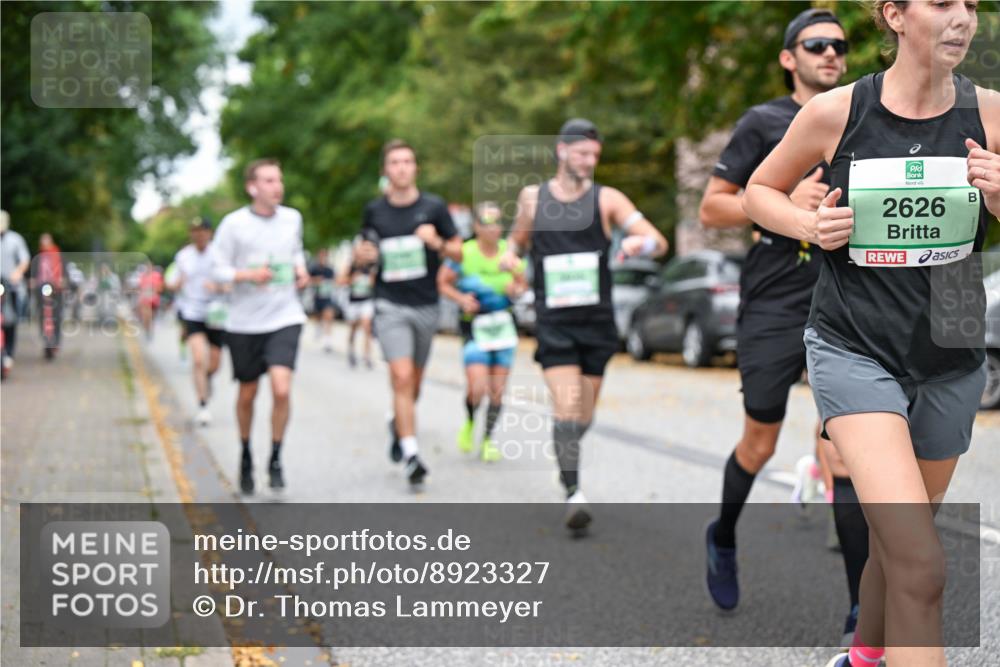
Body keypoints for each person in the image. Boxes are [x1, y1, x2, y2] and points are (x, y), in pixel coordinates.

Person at [742, 2, 997, 665]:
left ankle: (861, 657)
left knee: (901, 543)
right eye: (942, 3)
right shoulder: (837, 112)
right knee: (922, 562)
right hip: (855, 344)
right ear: (894, 15)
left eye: (971, 4)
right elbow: (758, 190)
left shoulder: (992, 114)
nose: (962, 19)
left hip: (952, 342)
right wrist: (808, 225)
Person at [698, 8, 869, 643]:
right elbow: (712, 207)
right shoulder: (764, 123)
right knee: (760, 442)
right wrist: (777, 204)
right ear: (788, 58)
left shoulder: (862, 119)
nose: (830, 54)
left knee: (845, 451)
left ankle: (861, 616)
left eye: (839, 45)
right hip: (774, 299)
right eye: (816, 44)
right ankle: (722, 536)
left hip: (846, 297)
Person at [500, 119, 667, 531]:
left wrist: (639, 242)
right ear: (561, 151)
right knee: (567, 405)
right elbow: (517, 241)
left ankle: (565, 455)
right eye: (582, 153)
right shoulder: (533, 198)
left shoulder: (607, 199)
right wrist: (511, 259)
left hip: (596, 324)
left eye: (595, 155)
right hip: (554, 322)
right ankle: (574, 492)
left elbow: (658, 241)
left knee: (582, 416)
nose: (589, 161)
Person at [355, 139, 463, 485]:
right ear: (385, 170)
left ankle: (398, 425)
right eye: (395, 162)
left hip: (426, 305)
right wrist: (362, 257)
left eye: (407, 161)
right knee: (400, 377)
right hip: (390, 304)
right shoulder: (375, 211)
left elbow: (459, 252)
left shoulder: (434, 207)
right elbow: (364, 254)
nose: (401, 168)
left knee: (413, 384)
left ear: (415, 168)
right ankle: (412, 453)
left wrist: (437, 243)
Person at [212, 158, 310, 494]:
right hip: (244, 322)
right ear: (252, 187)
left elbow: (296, 252)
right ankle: (245, 453)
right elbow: (217, 269)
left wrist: (300, 271)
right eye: (268, 181)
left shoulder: (292, 218)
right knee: (248, 393)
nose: (277, 186)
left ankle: (276, 457)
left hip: (285, 315)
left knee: (282, 389)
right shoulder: (233, 224)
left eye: (279, 180)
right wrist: (247, 275)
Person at [438, 201, 528, 462]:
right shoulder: (464, 253)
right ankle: (469, 421)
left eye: (498, 222)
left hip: (503, 326)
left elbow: (522, 285)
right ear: (476, 226)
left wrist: (516, 288)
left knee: (497, 390)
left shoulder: (508, 252)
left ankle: (488, 439)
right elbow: (442, 283)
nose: (494, 228)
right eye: (488, 222)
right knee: (477, 387)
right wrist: (461, 299)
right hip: (475, 327)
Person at [169, 218, 225, 427]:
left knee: (215, 363)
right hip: (192, 312)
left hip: (216, 313)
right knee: (199, 359)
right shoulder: (183, 256)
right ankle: (203, 405)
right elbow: (171, 283)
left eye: (202, 231)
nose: (198, 235)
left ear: (210, 233)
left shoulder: (220, 254)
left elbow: (231, 284)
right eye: (194, 231)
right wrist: (177, 283)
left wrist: (217, 288)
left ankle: (208, 377)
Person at [0, 210, 30, 370]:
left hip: (9, 285)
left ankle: (9, 353)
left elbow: (24, 259)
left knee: (10, 319)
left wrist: (17, 273)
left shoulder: (15, 239)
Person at [339, 239, 376, 369]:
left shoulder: (371, 267)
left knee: (367, 326)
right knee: (353, 328)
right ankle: (351, 350)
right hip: (353, 301)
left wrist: (371, 281)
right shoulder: (351, 266)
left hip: (366, 300)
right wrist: (351, 280)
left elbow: (375, 284)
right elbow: (339, 281)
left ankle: (367, 356)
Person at [34, 233, 65, 357]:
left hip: (56, 288)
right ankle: (46, 339)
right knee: (42, 315)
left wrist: (63, 280)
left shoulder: (57, 254)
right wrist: (32, 281)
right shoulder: (39, 256)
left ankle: (55, 341)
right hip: (42, 287)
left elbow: (64, 271)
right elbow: (34, 271)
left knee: (56, 315)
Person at [308, 247, 337, 353]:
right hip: (317, 296)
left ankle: (327, 341)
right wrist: (315, 280)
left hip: (327, 296)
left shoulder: (330, 270)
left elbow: (335, 281)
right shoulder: (313, 269)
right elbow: (307, 280)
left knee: (328, 316)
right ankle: (318, 327)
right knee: (318, 316)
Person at [136, 262, 163, 340]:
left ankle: (149, 330)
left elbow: (160, 288)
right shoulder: (143, 276)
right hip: (145, 300)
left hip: (154, 300)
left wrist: (154, 291)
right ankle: (147, 331)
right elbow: (140, 288)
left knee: (151, 317)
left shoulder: (156, 276)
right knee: (146, 316)